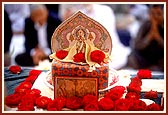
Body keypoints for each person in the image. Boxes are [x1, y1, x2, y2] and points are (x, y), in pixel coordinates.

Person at [58, 4, 131, 70]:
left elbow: (107, 42)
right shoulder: (68, 10)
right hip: (78, 55)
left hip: (109, 54)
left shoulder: (105, 11)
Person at [126, 4, 164, 71]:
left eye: (158, 14)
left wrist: (157, 37)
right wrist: (150, 35)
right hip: (144, 59)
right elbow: (137, 45)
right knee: (131, 57)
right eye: (152, 14)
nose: (155, 17)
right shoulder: (145, 24)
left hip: (161, 59)